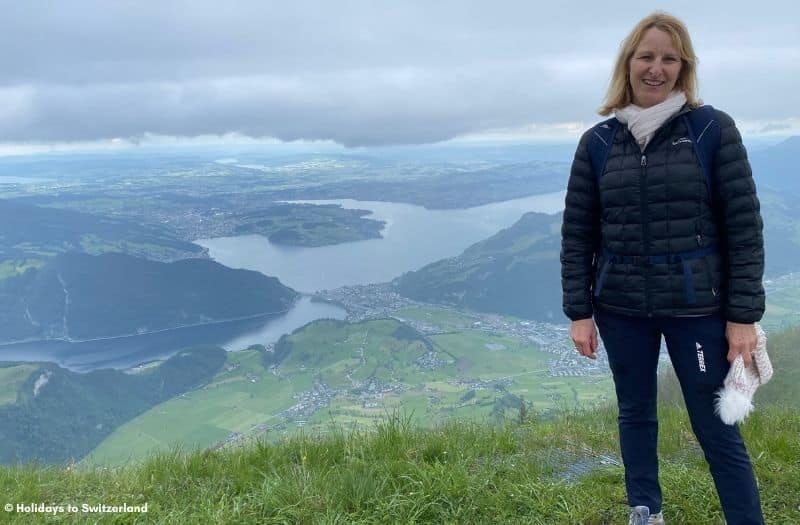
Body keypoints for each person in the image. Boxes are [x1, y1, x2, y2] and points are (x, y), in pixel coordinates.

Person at [560, 11, 765, 525]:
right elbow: (578, 233)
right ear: (628, 63)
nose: (657, 68)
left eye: (669, 58)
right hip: (620, 308)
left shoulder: (711, 130)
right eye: (646, 56)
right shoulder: (599, 143)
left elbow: (743, 227)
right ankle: (645, 511)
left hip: (696, 307)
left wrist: (742, 317)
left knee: (715, 425)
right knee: (635, 414)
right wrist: (579, 312)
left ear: (684, 66)